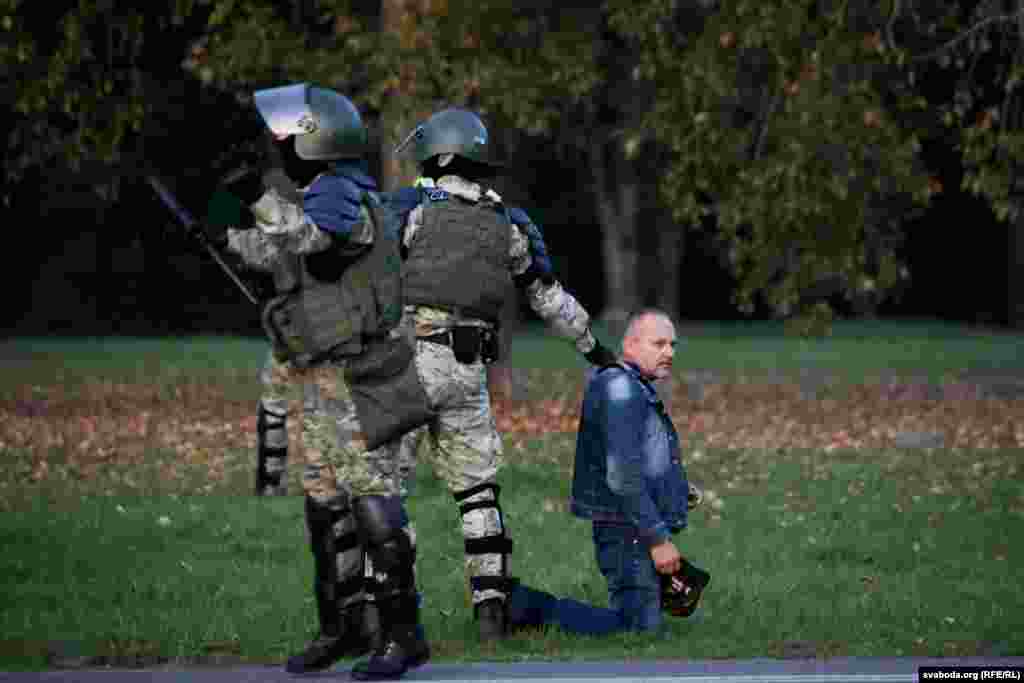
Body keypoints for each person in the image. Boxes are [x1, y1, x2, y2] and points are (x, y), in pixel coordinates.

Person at [214, 82, 430, 677]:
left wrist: (256, 196)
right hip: (321, 376)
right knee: (324, 501)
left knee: (371, 499)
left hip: (361, 378)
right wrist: (228, 230)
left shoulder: (344, 198)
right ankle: (343, 627)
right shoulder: (318, 198)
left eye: (286, 138)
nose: (277, 149)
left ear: (315, 142)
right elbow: (282, 253)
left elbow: (308, 237)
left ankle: (403, 634)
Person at [507, 309, 705, 635]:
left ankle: (523, 607)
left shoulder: (631, 386)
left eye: (673, 345)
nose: (669, 352)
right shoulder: (621, 389)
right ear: (630, 345)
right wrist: (658, 540)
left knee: (645, 622)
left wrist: (677, 489)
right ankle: (526, 608)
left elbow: (640, 460)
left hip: (633, 525)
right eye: (659, 344)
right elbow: (623, 476)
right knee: (639, 629)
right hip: (627, 531)